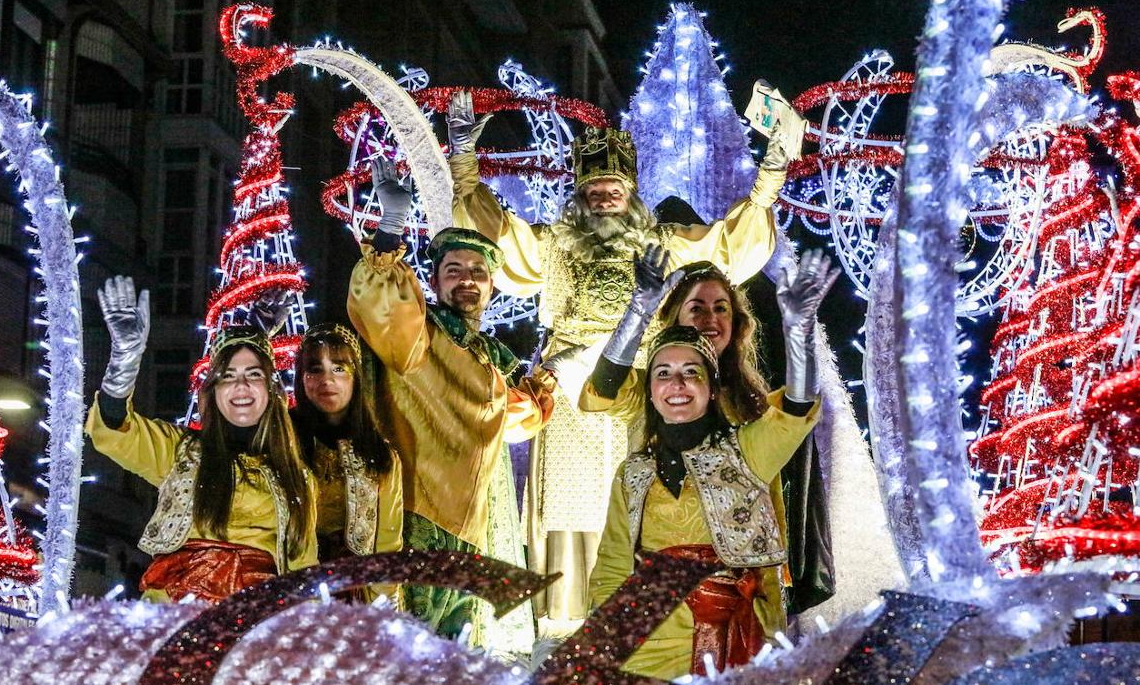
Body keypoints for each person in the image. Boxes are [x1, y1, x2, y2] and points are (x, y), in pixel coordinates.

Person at [447, 92, 793, 622]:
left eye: (614, 190)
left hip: (641, 389)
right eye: (594, 191)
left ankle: (646, 615)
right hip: (568, 395)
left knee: (644, 500)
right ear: (580, 196)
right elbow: (494, 238)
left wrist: (769, 178)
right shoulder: (553, 243)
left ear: (630, 193)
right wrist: (464, 166)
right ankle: (569, 620)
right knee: (569, 509)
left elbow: (727, 246)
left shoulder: (663, 243)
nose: (605, 199)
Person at [586, 251, 837, 679]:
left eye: (692, 373)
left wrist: (800, 331)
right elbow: (612, 563)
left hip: (737, 612)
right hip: (651, 628)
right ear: (650, 390)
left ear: (711, 387)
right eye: (663, 375)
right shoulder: (634, 473)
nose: (677, 385)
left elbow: (796, 410)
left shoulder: (747, 434)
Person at [347, 157, 556, 640]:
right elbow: (381, 308)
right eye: (454, 269)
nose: (467, 279)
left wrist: (552, 375)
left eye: (478, 271)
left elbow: (516, 420)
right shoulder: (420, 337)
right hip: (414, 520)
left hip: (470, 535)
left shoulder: (490, 360)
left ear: (491, 285)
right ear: (436, 280)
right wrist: (390, 227)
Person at [86, 277, 316, 602]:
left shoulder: (296, 476)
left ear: (270, 390)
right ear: (213, 392)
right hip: (176, 613)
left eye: (253, 375)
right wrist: (124, 360)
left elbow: (305, 574)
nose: (241, 386)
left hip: (259, 618)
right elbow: (114, 429)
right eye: (228, 376)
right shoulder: (181, 452)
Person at [291, 323, 403, 570]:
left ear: (356, 377)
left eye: (339, 368)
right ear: (301, 378)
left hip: (356, 583)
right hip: (291, 583)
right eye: (315, 369)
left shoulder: (380, 455)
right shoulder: (282, 444)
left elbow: (388, 546)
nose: (327, 380)